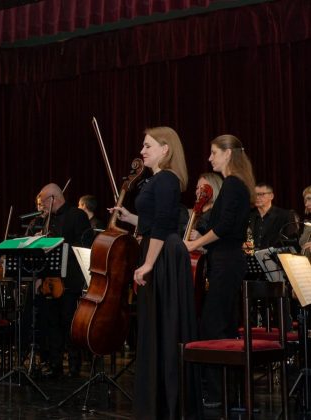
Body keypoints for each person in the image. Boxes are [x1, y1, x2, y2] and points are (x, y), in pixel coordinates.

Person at [112, 126, 199, 418]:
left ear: (165, 149)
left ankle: (166, 405)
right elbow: (153, 222)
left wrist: (148, 263)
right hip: (160, 250)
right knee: (159, 326)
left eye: (148, 145)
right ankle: (160, 402)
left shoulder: (166, 179)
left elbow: (163, 225)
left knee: (165, 327)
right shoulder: (159, 179)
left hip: (162, 256)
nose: (142, 151)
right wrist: (130, 218)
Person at [185, 134, 255, 408]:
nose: (209, 157)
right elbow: (224, 229)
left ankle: (217, 395)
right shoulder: (235, 184)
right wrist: (204, 246)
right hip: (225, 260)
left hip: (227, 263)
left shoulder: (233, 184)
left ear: (228, 154)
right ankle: (228, 394)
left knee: (214, 326)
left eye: (214, 152)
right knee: (222, 326)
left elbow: (224, 227)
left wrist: (194, 244)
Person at [36, 183, 90, 379]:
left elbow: (84, 244)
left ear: (53, 198)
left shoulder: (77, 215)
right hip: (50, 278)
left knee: (69, 323)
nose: (41, 206)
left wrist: (59, 244)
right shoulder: (47, 220)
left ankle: (74, 366)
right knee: (51, 323)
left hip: (69, 279)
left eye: (43, 202)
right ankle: (55, 365)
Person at [247, 182, 296, 250]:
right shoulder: (248, 215)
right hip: (251, 255)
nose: (257, 197)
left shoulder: (285, 215)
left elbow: (291, 241)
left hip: (275, 255)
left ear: (271, 196)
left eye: (261, 194)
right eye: (255, 194)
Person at [188, 172, 223, 240]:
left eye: (203, 187)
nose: (198, 191)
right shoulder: (197, 213)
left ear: (214, 188)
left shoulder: (218, 212)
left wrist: (200, 238)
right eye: (197, 188)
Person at [300, 186, 311, 262]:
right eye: (305, 201)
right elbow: (303, 243)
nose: (306, 204)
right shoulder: (308, 223)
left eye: (309, 199)